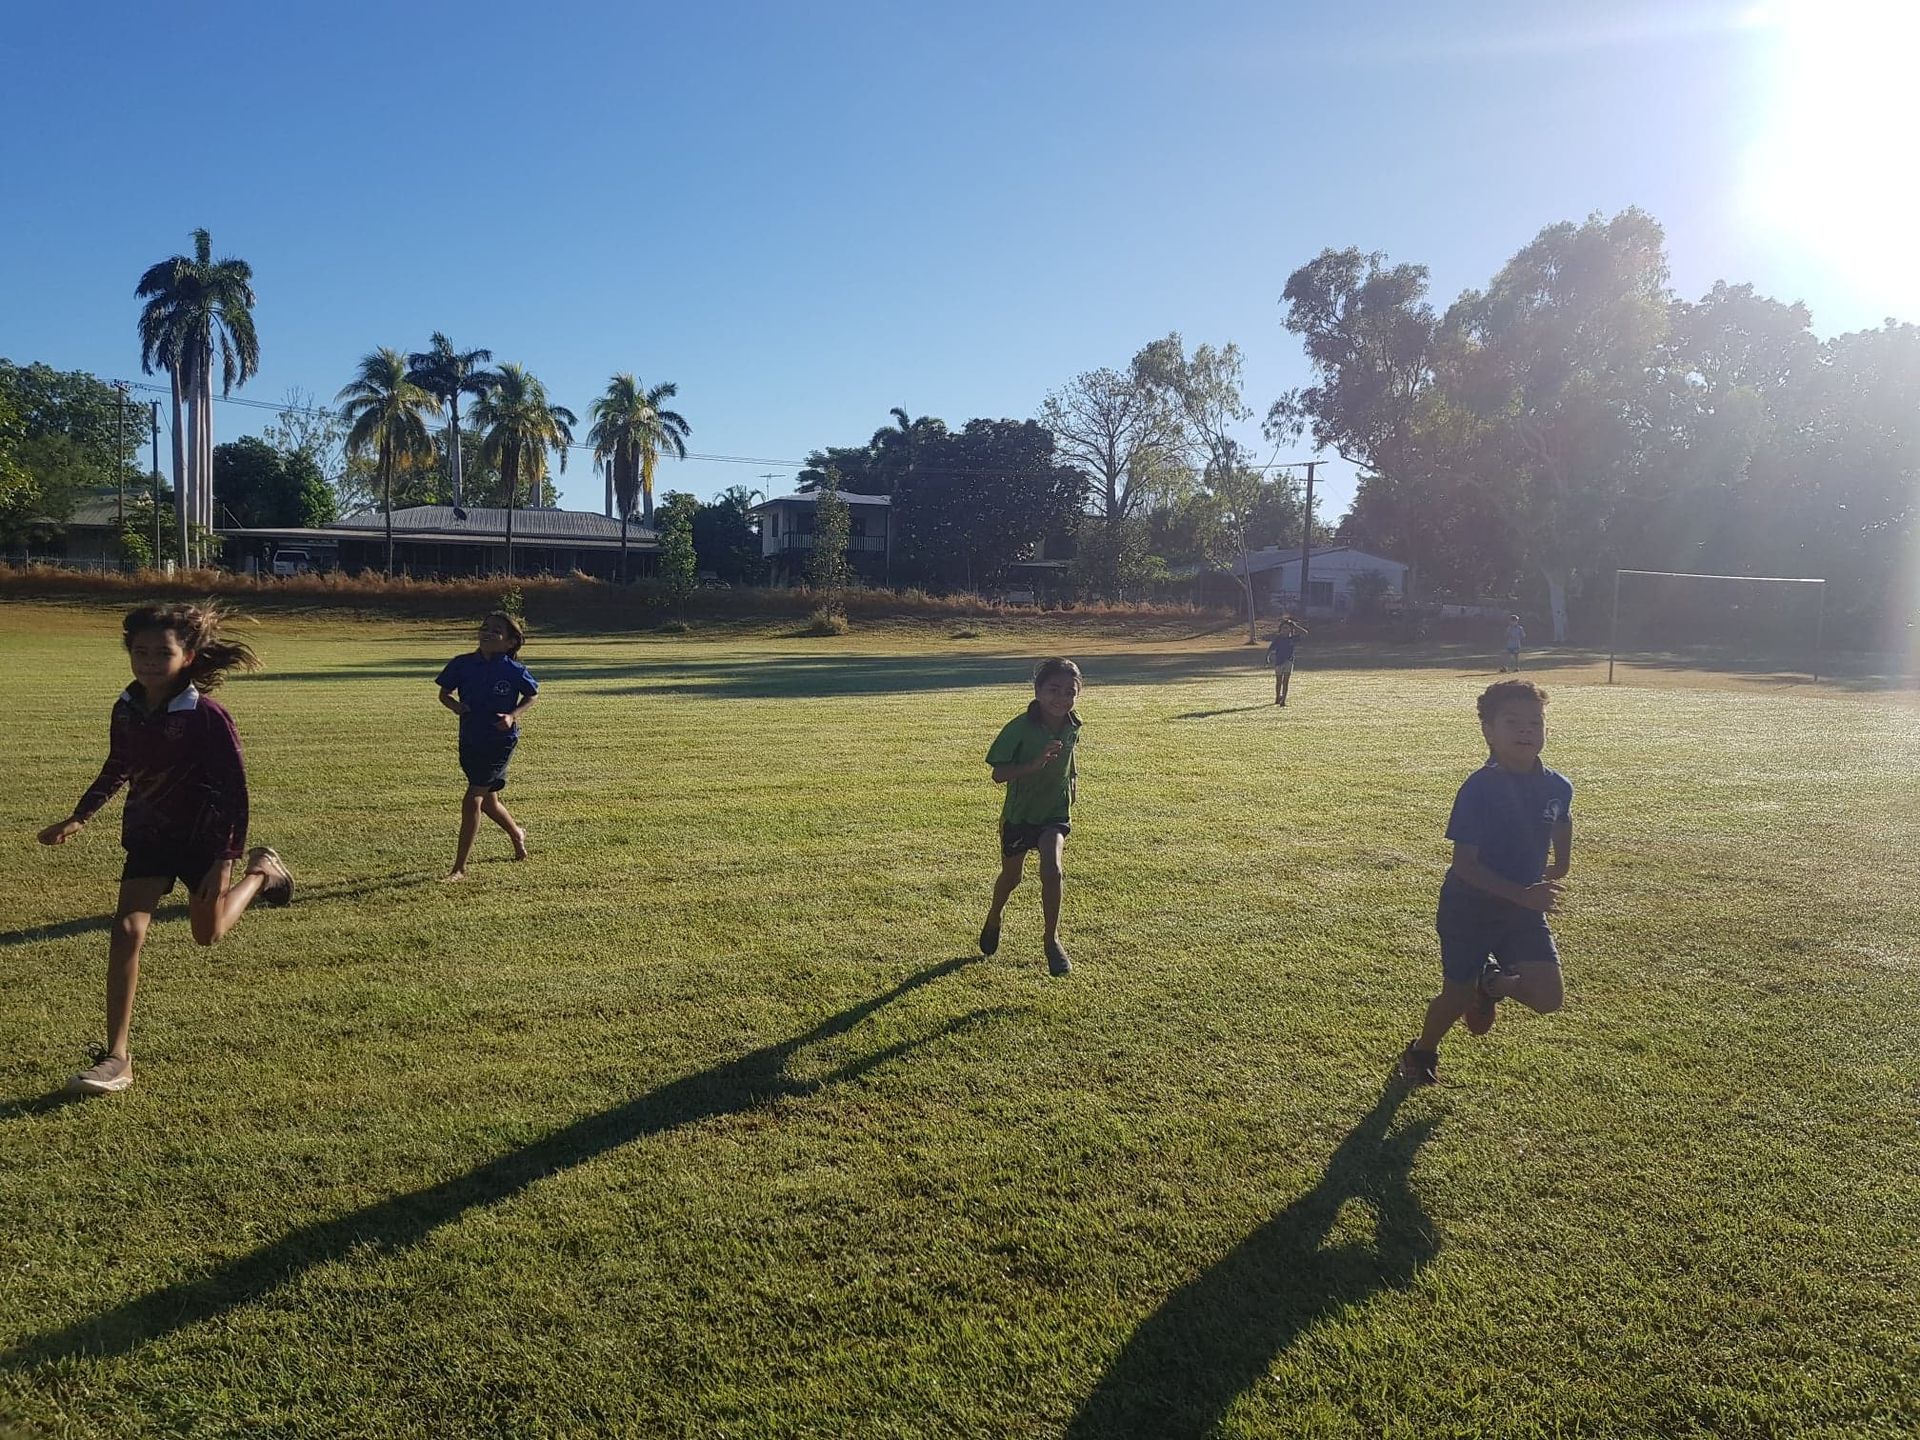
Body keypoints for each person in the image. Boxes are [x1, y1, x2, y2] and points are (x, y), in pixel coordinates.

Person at [36, 602, 292, 1097]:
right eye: (141, 651)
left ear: (189, 656)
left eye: (163, 652)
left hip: (206, 840)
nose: (150, 660)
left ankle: (262, 872)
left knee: (207, 933)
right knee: (127, 929)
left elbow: (235, 792)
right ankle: (117, 1056)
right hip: (150, 835)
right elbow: (118, 765)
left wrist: (228, 855)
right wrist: (79, 816)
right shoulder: (126, 708)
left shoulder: (209, 716)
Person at [1398, 678, 1572, 1087]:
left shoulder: (1557, 785)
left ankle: (1490, 982)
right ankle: (1422, 1051)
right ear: (1489, 731)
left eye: (1535, 722)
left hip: (1522, 910)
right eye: (1513, 721)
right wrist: (1523, 896)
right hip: (1469, 909)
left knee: (1548, 998)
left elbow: (1562, 818)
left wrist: (1561, 864)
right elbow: (1465, 866)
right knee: (1455, 996)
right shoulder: (1479, 789)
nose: (1526, 730)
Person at [978, 658, 1082, 976]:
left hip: (1054, 813)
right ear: (1037, 691)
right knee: (1012, 878)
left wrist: (1074, 781)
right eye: (1053, 689)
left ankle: (1051, 941)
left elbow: (1069, 757)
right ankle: (994, 916)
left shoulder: (1072, 723)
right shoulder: (1019, 728)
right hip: (1019, 816)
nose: (1061, 698)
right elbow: (998, 774)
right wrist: (1034, 765)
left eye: (1070, 692)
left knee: (1053, 870)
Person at [437, 612, 539, 880]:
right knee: (489, 802)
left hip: (499, 742)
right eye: (485, 627)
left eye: (496, 631)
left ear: (510, 642)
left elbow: (532, 695)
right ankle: (517, 834)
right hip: (470, 738)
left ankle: (459, 868)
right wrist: (456, 706)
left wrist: (512, 716)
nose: (487, 633)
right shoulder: (462, 664)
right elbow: (443, 694)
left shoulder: (513, 670)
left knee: (473, 799)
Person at [1265, 616, 1309, 705]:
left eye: (1287, 628)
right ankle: (1277, 698)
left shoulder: (1292, 638)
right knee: (1279, 681)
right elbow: (1271, 648)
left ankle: (1283, 700)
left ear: (1290, 629)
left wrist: (1295, 626)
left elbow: (1305, 633)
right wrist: (1267, 657)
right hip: (1279, 661)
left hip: (1289, 661)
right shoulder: (1278, 638)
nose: (1284, 630)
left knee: (1286, 681)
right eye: (1283, 628)